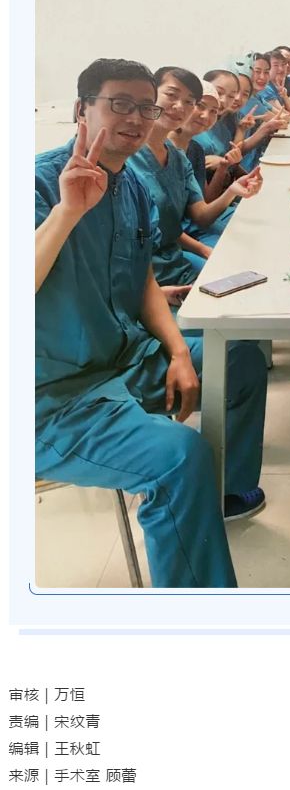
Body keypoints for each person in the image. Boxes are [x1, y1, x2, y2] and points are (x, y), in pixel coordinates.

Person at [35, 59, 268, 588]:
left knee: (240, 358)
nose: (137, 118)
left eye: (145, 107)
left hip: (128, 359)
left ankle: (225, 495)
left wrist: (179, 352)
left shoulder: (131, 186)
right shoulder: (38, 183)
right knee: (179, 458)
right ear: (81, 110)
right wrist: (67, 212)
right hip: (55, 398)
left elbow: (141, 276)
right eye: (120, 104)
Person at [129, 66, 260, 280]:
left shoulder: (179, 158)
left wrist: (233, 190)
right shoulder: (126, 156)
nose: (180, 106)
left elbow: (199, 216)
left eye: (189, 101)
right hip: (143, 270)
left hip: (172, 256)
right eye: (171, 95)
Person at [168, 80, 245, 253]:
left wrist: (224, 169)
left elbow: (205, 202)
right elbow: (163, 224)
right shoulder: (162, 151)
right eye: (200, 106)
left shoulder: (195, 149)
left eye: (213, 111)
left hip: (195, 227)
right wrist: (203, 250)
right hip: (175, 241)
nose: (205, 116)